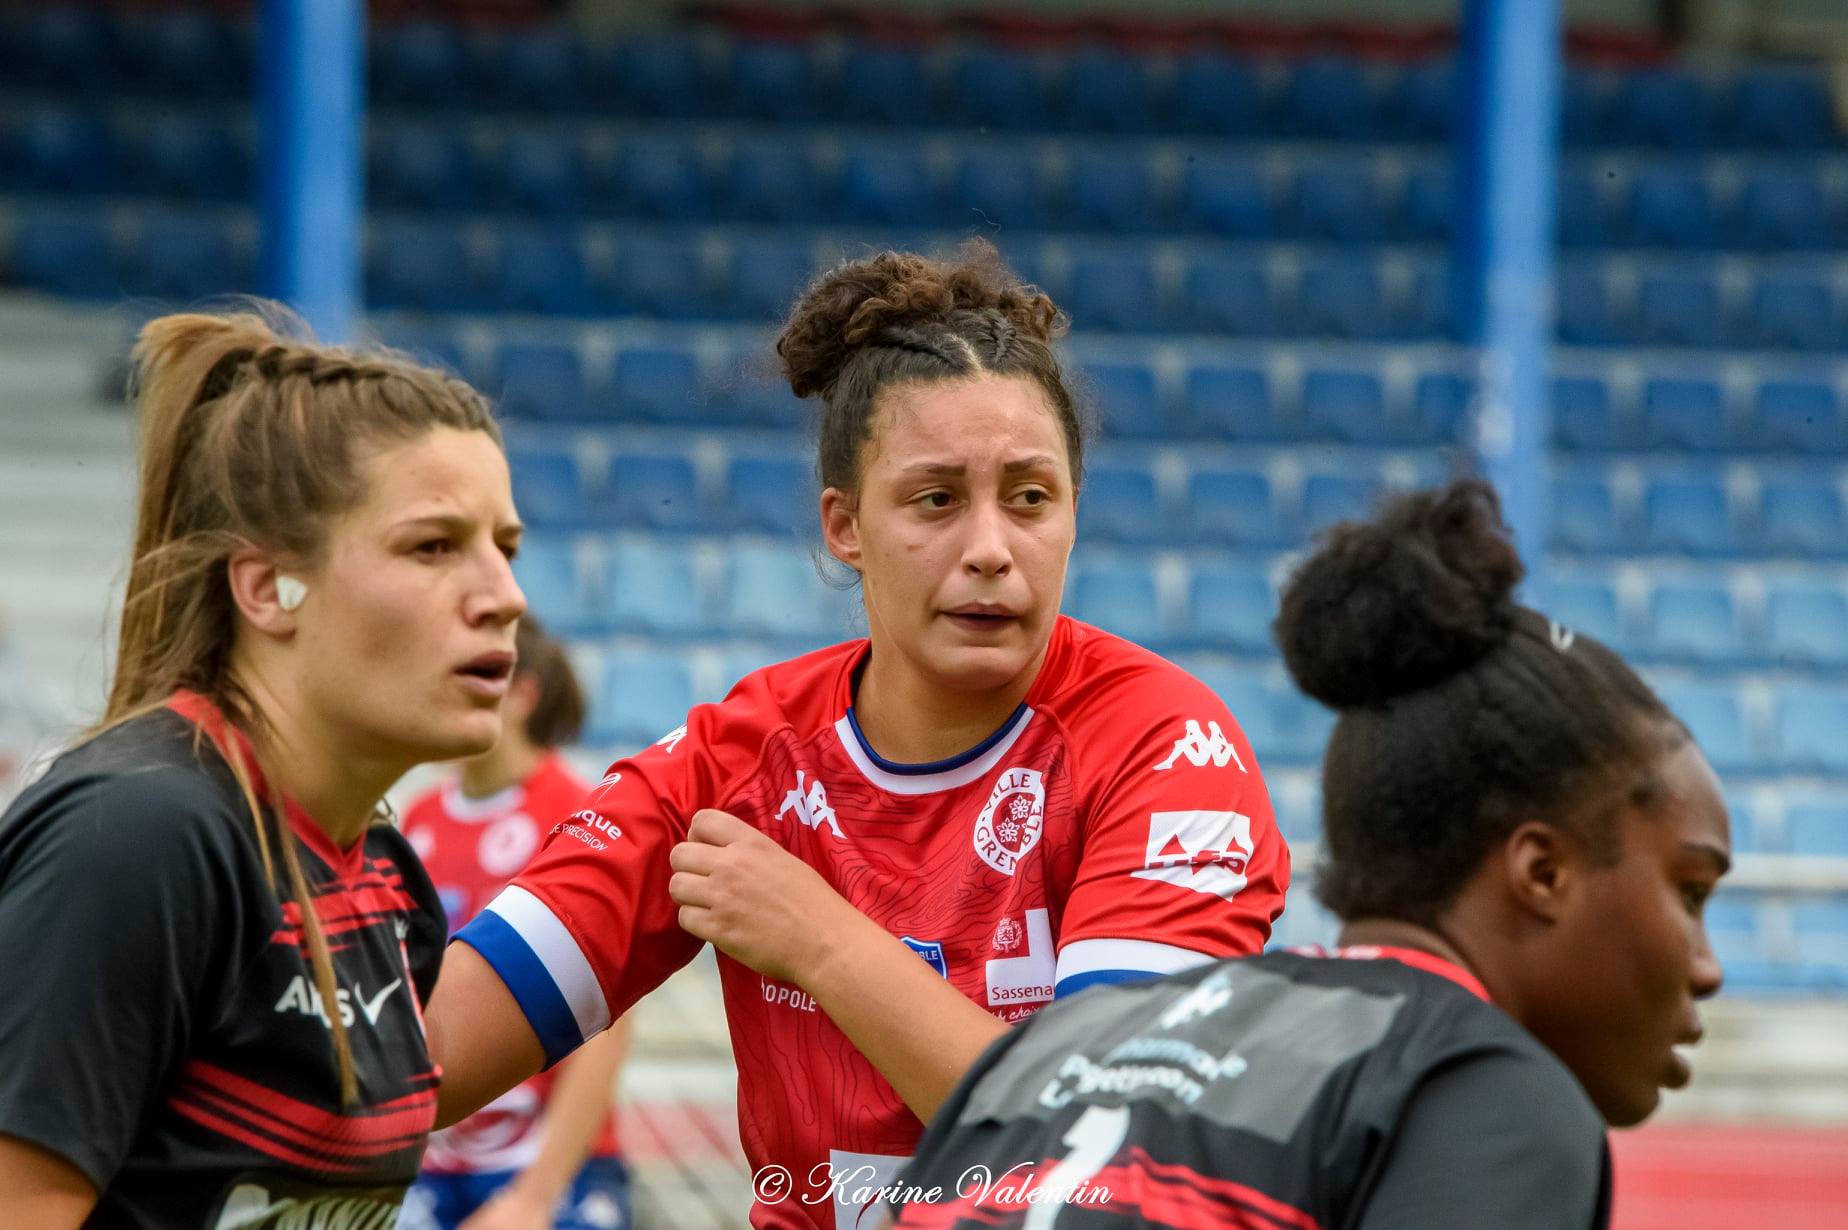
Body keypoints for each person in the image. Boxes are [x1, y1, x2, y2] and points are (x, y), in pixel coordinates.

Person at [424, 240, 1291, 1227]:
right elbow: (425, 1062)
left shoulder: (1167, 744)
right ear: (844, 525)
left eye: (1031, 498)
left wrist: (822, 940)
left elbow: (1097, 1152)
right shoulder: (734, 759)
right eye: (935, 500)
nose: (992, 551)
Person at [881, 480, 1731, 1230]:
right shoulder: (1478, 1091)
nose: (1706, 968)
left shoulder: (1062, 1051)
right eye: (1691, 893)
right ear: (1543, 874)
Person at [0, 308, 527, 1229]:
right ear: (266, 588)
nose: (503, 597)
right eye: (433, 546)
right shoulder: (140, 837)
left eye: (505, 547)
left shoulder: (385, 876)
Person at [398, 616, 634, 1230]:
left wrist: (535, 1197)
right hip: (430, 1162)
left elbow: (612, 1025)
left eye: (471, 675)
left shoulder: (582, 815)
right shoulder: (415, 823)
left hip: (554, 1166)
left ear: (522, 694)